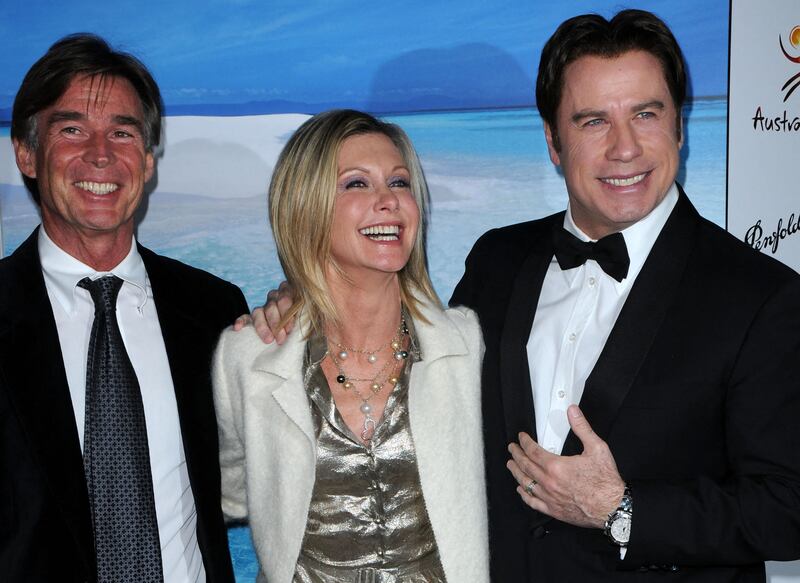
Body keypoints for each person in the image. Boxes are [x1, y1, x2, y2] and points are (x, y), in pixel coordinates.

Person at [253, 9, 800, 582]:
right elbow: (408, 374)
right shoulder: (497, 259)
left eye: (646, 114)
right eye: (593, 121)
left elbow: (788, 508)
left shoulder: (761, 296)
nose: (625, 148)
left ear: (680, 128)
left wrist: (623, 511)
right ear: (553, 142)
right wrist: (309, 305)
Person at [1, 34, 246, 582]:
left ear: (149, 160)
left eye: (122, 132)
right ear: (26, 153)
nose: (101, 154)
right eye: (71, 130)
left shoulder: (215, 310)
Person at [213, 109, 489, 582]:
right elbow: (228, 494)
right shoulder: (247, 356)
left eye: (399, 182)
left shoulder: (467, 345)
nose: (388, 201)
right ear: (305, 206)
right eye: (357, 183)